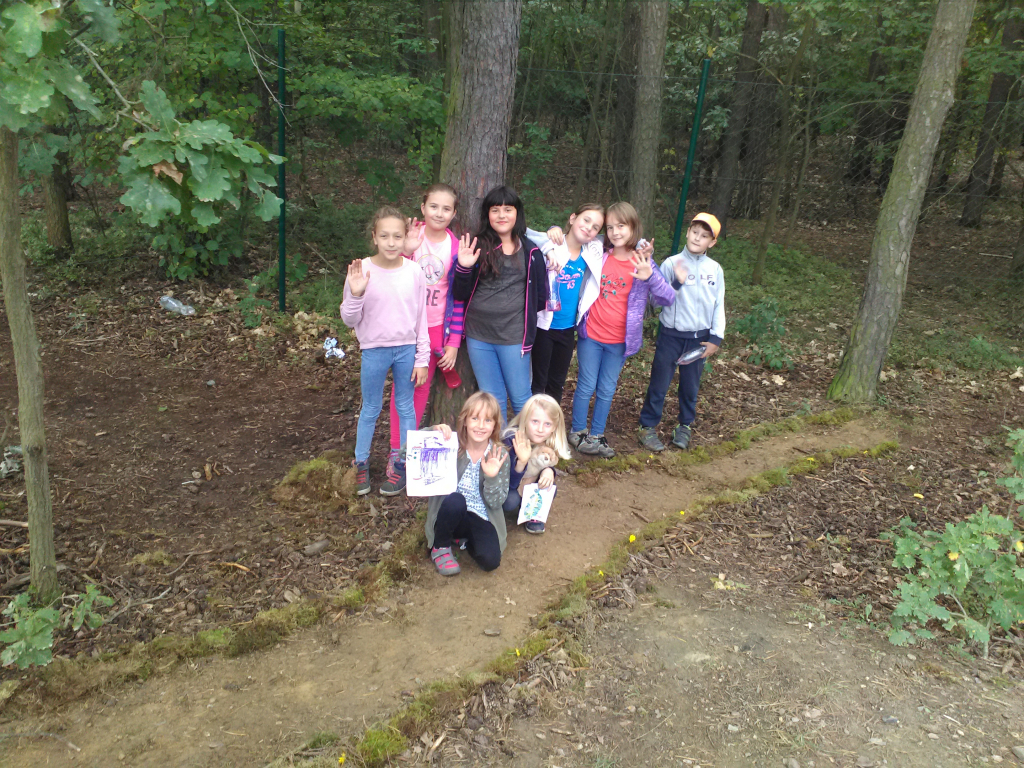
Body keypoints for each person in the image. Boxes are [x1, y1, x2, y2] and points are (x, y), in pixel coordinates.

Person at [568, 202, 675, 458]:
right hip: (591, 335)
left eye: (621, 226)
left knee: (606, 388)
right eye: (610, 227)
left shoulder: (642, 262)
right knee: (586, 385)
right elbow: (572, 237)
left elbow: (667, 298)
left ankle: (597, 435)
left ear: (633, 227)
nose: (615, 232)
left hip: (619, 342)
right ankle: (577, 431)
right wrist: (553, 230)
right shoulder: (599, 254)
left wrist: (650, 275)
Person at [381, 184, 466, 496]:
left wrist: (453, 342)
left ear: (454, 213)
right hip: (406, 328)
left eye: (446, 209)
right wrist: (406, 250)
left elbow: (459, 299)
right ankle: (397, 455)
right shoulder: (409, 238)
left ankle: (412, 455)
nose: (439, 213)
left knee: (422, 390)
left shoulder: (456, 248)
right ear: (422, 208)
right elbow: (389, 276)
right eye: (433, 206)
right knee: (404, 392)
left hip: (438, 330)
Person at [341, 207, 429, 496]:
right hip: (374, 350)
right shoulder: (361, 270)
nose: (391, 243)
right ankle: (361, 463)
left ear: (405, 238)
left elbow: (421, 318)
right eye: (385, 236)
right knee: (371, 408)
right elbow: (349, 319)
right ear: (374, 237)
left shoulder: (414, 271)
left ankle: (403, 463)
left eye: (397, 236)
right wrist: (356, 293)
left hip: (406, 350)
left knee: (405, 406)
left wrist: (422, 358)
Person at [453, 186, 548, 422]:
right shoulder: (478, 247)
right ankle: (499, 444)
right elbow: (460, 293)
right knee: (492, 399)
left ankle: (529, 444)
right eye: (495, 210)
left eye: (508, 209)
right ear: (487, 214)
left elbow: (540, 296)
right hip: (478, 335)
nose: (502, 215)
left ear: (517, 213)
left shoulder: (531, 251)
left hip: (513, 337)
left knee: (521, 396)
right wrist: (464, 267)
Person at [638, 213, 724, 451]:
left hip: (699, 339)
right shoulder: (671, 263)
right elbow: (656, 301)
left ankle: (685, 425)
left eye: (704, 236)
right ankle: (647, 426)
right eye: (694, 232)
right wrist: (676, 283)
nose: (697, 238)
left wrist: (716, 337)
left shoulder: (715, 270)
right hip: (671, 336)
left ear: (712, 242)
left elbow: (719, 304)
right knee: (659, 382)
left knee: (690, 386)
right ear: (687, 232)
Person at [525, 203, 606, 403]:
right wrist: (552, 231)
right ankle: (533, 419)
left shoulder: (592, 252)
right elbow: (524, 232)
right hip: (544, 327)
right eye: (586, 220)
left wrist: (641, 245)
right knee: (538, 382)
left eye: (595, 227)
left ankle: (552, 420)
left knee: (557, 382)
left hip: (568, 330)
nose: (589, 227)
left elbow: (619, 238)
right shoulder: (551, 243)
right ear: (572, 218)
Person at [425, 392, 510, 576]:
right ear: (464, 421)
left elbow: (496, 502)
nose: (481, 426)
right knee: (456, 500)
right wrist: (431, 432)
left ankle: (462, 540)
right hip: (450, 510)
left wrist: (491, 477)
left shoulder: (500, 455)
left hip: (480, 515)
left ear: (495, 425)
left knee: (490, 561)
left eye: (488, 420)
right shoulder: (450, 444)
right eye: (475, 418)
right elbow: (406, 452)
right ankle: (440, 547)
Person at [501, 393, 571, 534]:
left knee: (550, 486)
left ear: (554, 427)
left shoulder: (549, 441)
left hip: (529, 485)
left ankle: (533, 514)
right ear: (525, 420)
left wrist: (549, 471)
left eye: (547, 424)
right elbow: (508, 483)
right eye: (535, 421)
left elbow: (547, 463)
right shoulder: (511, 440)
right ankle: (499, 514)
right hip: (509, 488)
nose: (540, 429)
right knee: (510, 501)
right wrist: (522, 461)